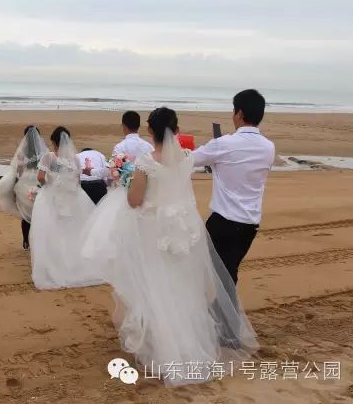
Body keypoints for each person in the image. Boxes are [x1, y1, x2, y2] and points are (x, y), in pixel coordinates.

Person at [82, 107, 258, 386]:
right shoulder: (186, 159)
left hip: (154, 233)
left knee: (156, 287)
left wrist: (127, 183)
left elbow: (134, 201)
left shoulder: (145, 162)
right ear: (176, 130)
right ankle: (191, 345)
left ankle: (164, 350)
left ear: (150, 130)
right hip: (183, 232)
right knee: (183, 288)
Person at [192, 90, 275, 284]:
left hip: (224, 222)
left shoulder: (224, 144)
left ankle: (226, 305)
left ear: (239, 113)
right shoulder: (268, 147)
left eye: (234, 111)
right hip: (250, 224)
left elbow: (191, 159)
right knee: (228, 271)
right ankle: (225, 302)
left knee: (214, 276)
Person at [30, 127, 101, 289]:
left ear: (54, 142)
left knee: (51, 232)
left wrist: (50, 186)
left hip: (52, 198)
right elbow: (77, 181)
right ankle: (73, 265)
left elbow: (40, 177)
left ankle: (53, 266)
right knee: (72, 231)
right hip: (72, 198)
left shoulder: (49, 157)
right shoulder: (75, 159)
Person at [0, 126, 49, 250]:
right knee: (39, 213)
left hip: (24, 183)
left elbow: (19, 170)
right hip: (38, 181)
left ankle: (26, 240)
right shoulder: (44, 151)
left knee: (26, 215)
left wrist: (15, 185)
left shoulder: (22, 151)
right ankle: (39, 241)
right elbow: (47, 168)